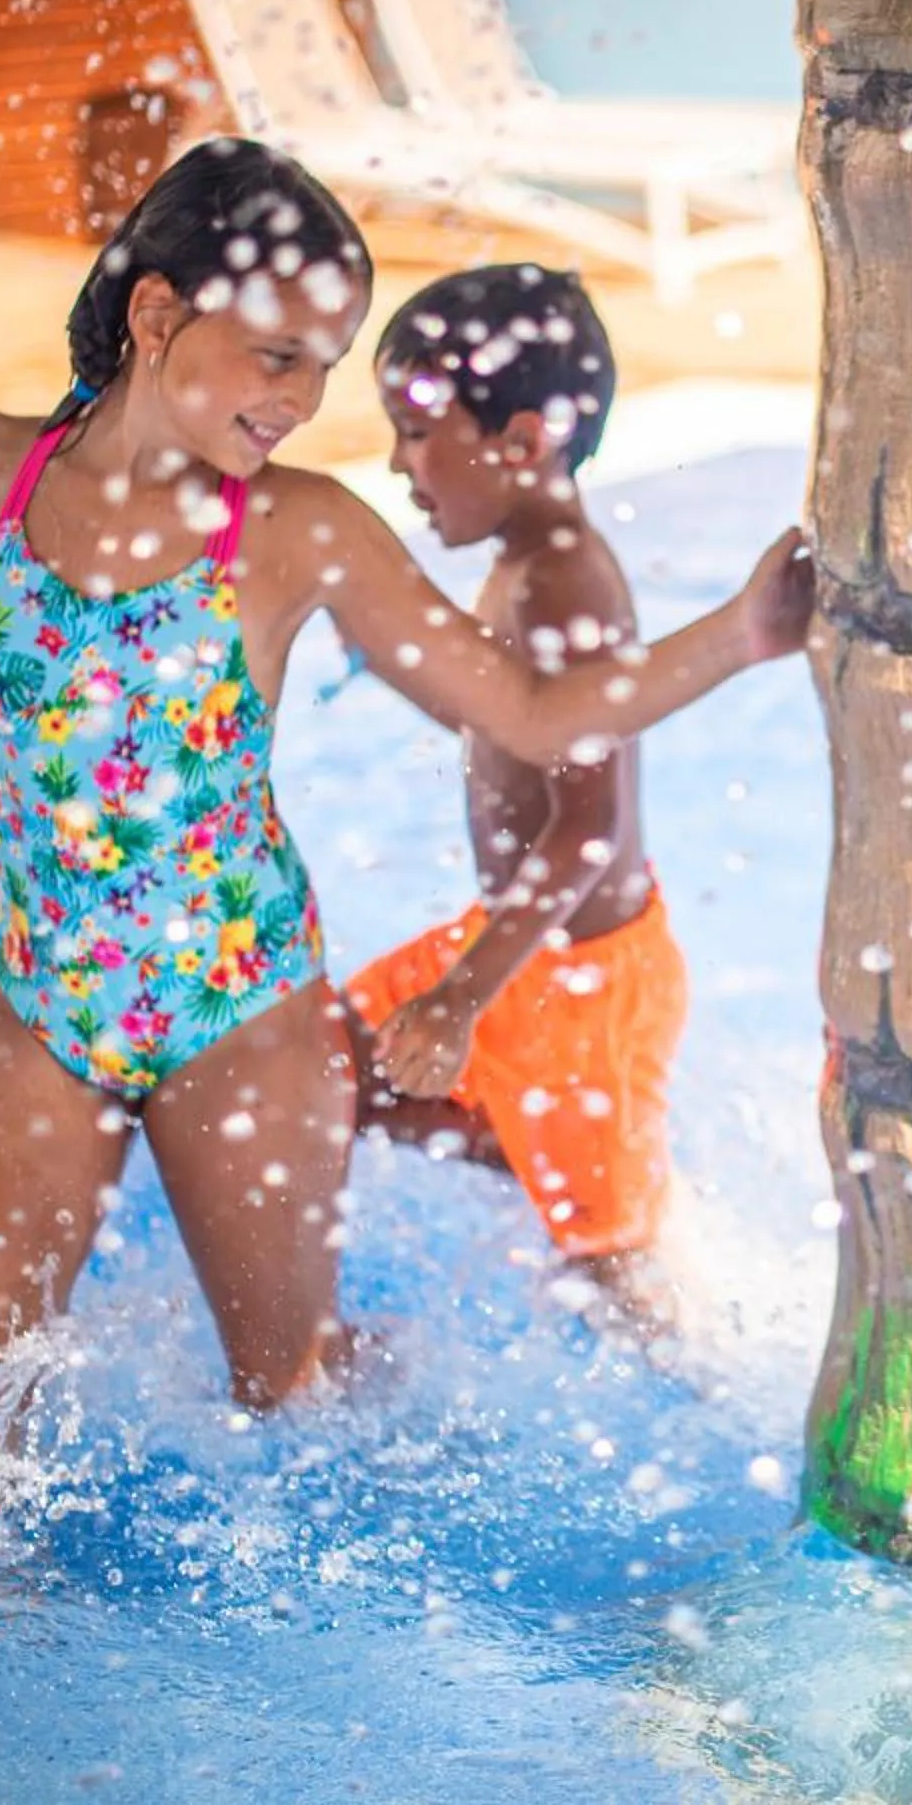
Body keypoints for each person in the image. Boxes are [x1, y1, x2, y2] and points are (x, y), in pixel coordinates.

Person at [0, 141, 812, 1494]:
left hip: (242, 1012)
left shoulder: (300, 529)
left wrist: (742, 635)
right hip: (37, 999)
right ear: (159, 314)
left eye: (325, 363)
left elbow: (528, 710)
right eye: (280, 354)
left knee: (286, 1397)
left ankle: (424, 1407)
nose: (306, 397)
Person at [337, 269, 694, 1313]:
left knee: (618, 1281)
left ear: (523, 442)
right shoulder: (522, 559)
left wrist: (458, 998)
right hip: (515, 948)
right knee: (323, 1069)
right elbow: (498, 725)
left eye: (415, 431)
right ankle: (504, 1134)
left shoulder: (566, 581)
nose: (400, 464)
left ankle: (704, 1358)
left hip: (579, 983)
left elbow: (589, 824)